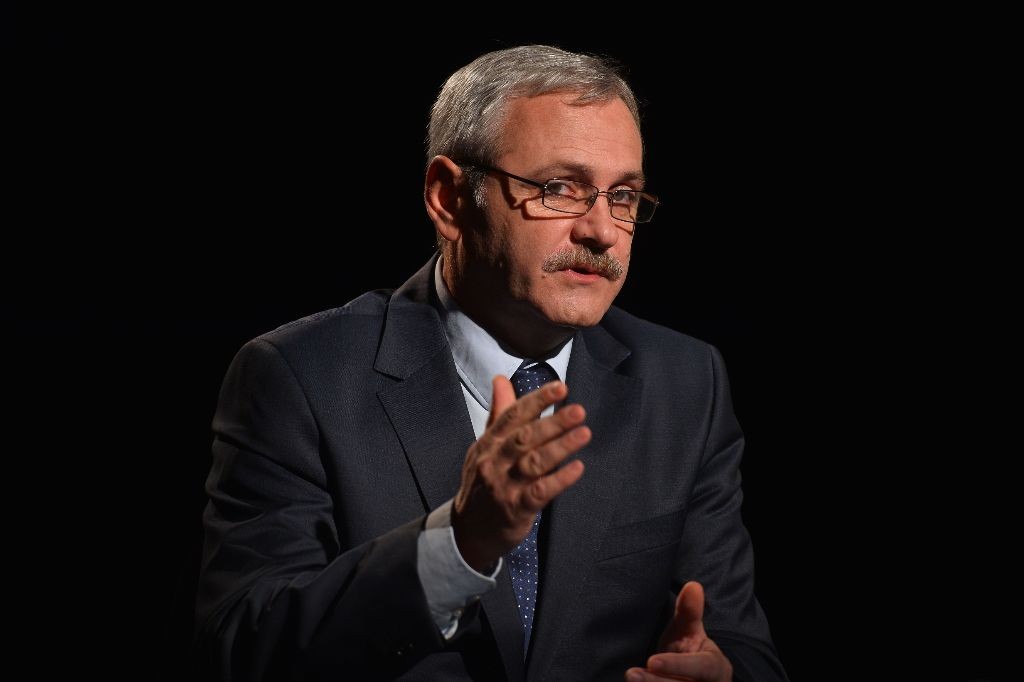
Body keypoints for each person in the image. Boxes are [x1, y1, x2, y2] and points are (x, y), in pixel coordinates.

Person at [195, 44, 788, 681]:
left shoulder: (687, 382)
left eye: (623, 196)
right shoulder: (297, 377)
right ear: (450, 198)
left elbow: (743, 647)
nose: (602, 231)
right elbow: (245, 649)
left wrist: (721, 672)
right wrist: (459, 544)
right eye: (559, 189)